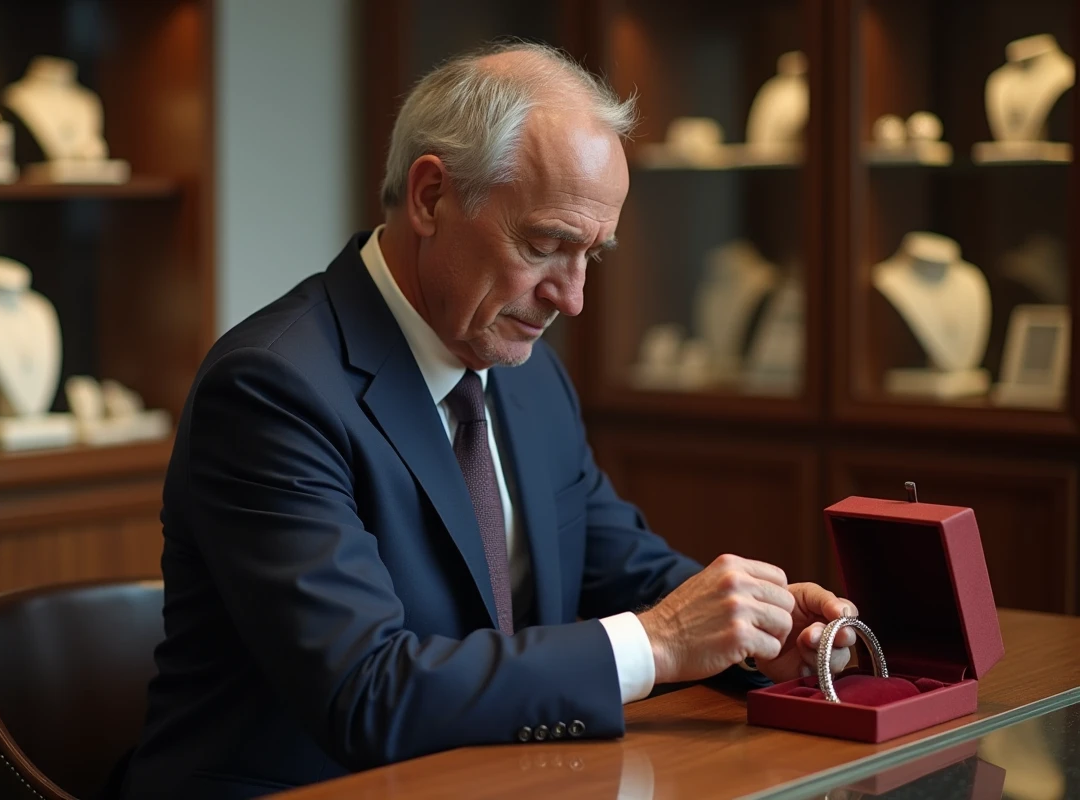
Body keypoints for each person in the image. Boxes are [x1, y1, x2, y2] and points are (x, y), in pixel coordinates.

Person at [118, 42, 857, 800]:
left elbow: (621, 570)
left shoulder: (526, 374)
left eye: (590, 257)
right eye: (546, 246)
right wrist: (663, 641)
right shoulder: (272, 389)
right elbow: (367, 693)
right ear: (432, 197)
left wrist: (755, 630)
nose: (570, 298)